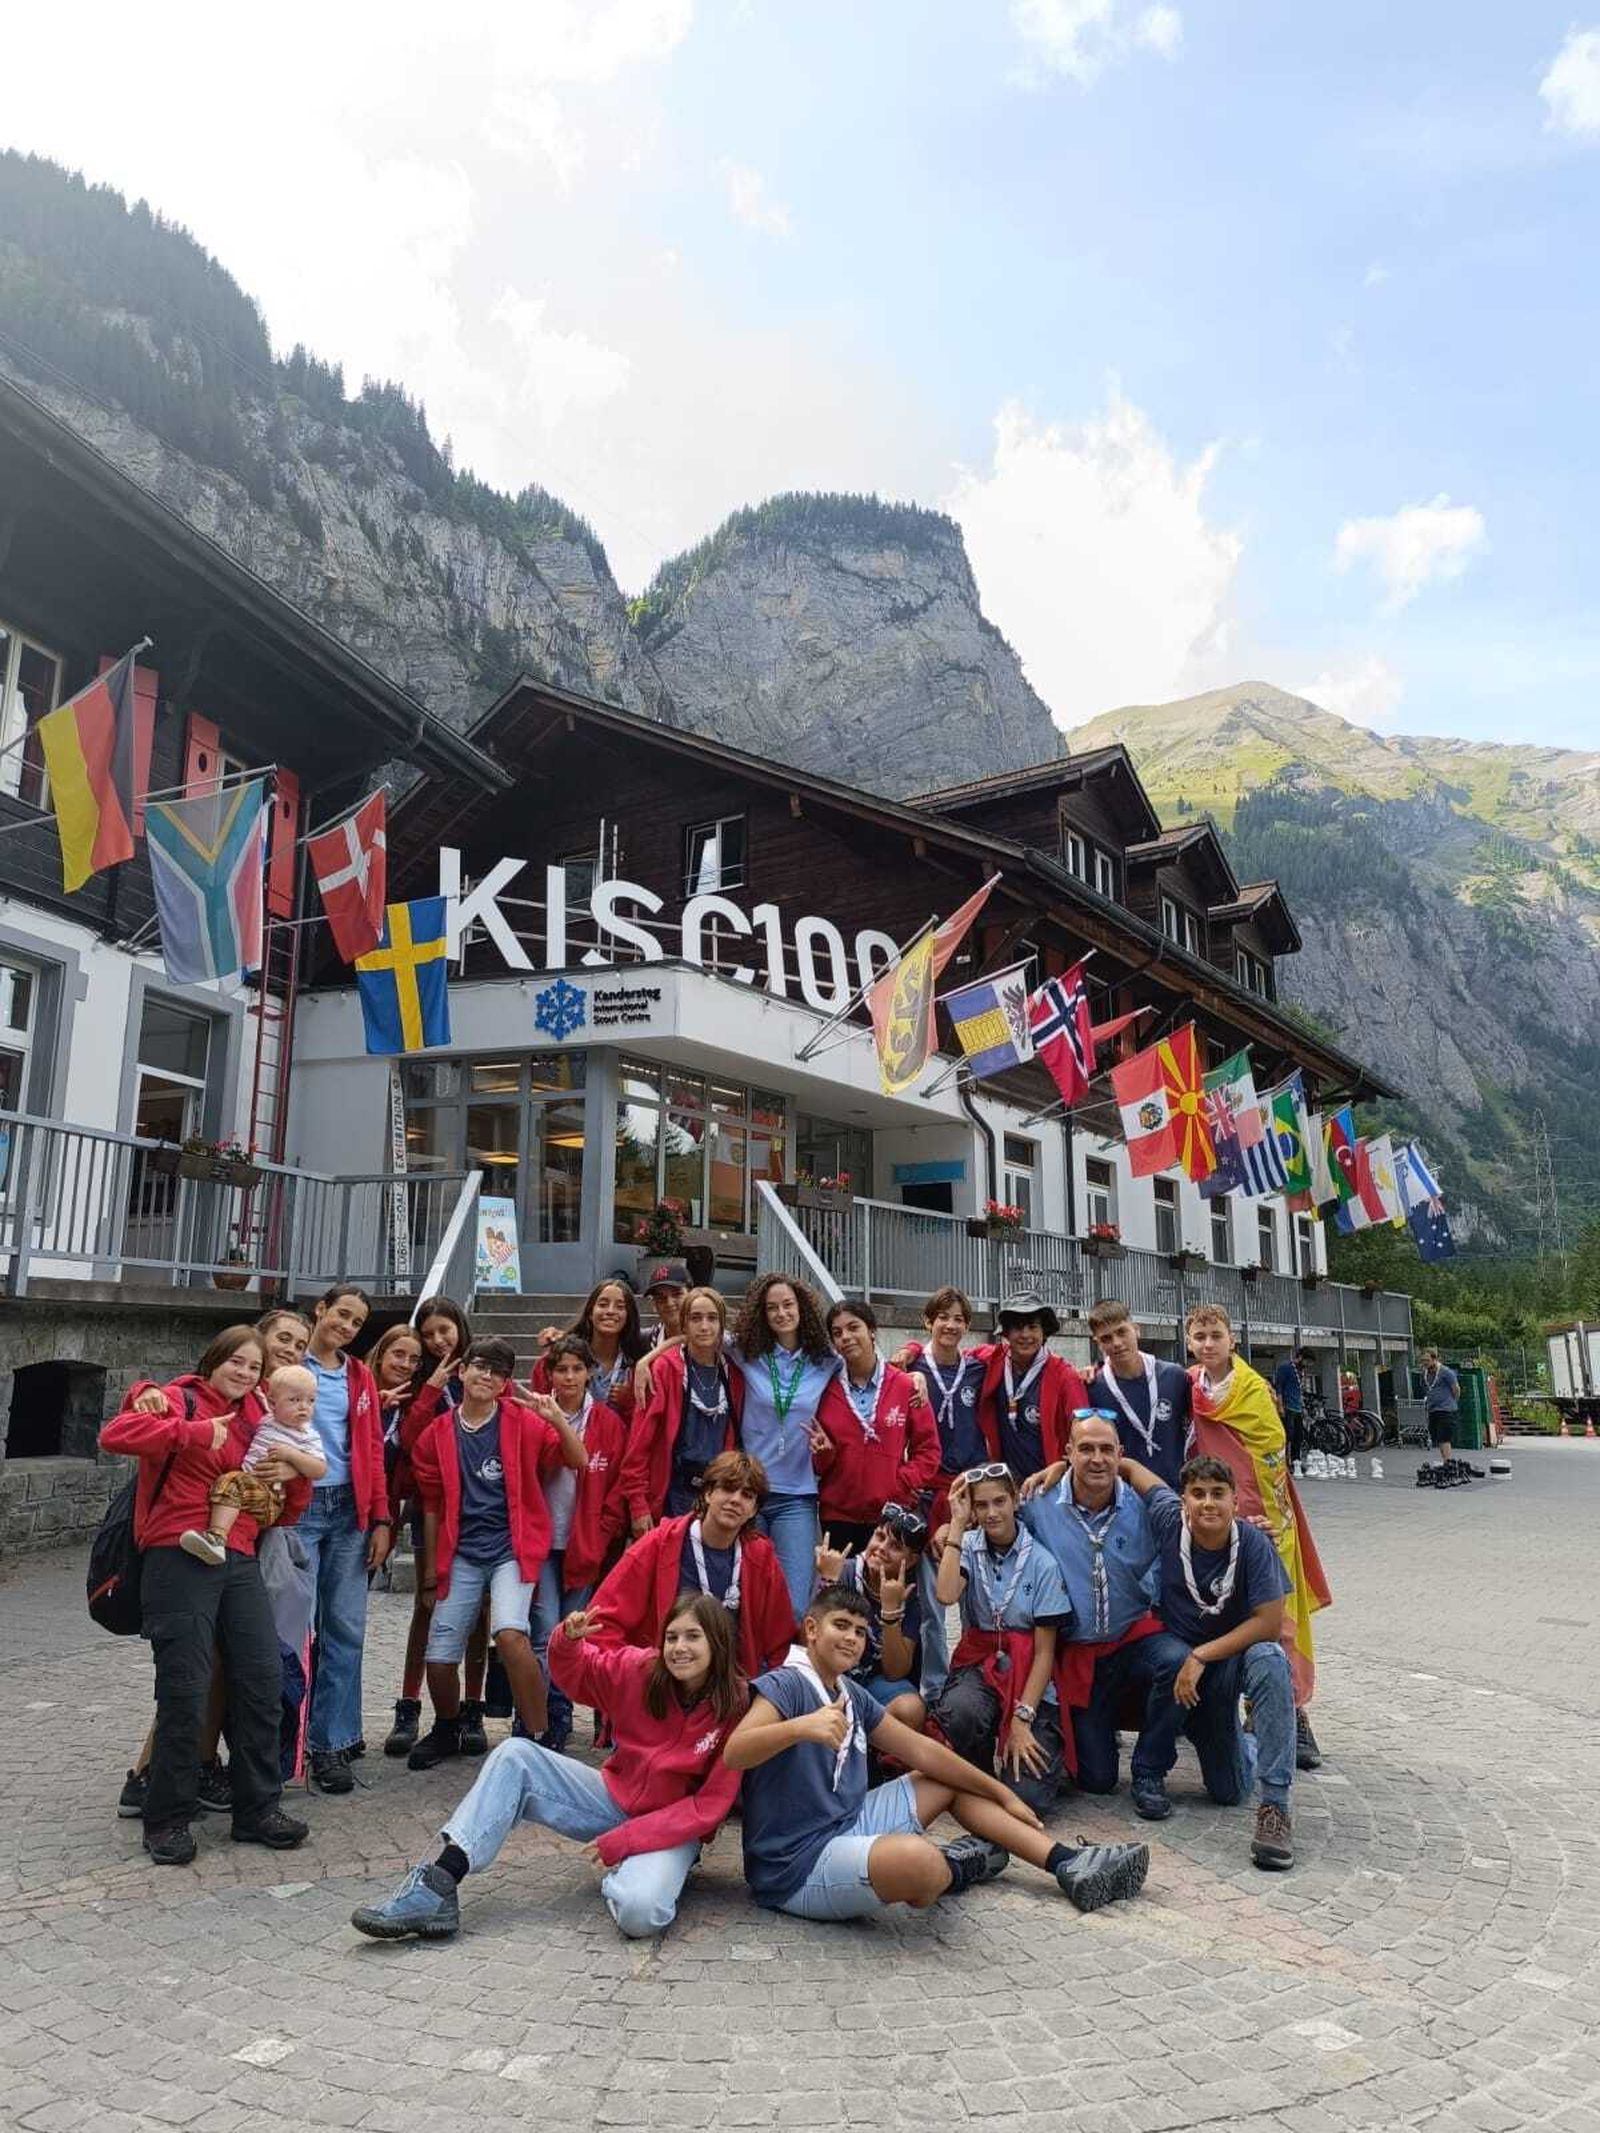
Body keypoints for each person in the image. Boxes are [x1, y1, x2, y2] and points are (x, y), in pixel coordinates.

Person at [725, 1581, 1149, 1920]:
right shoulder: (787, 1683)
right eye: (841, 1625)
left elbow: (924, 1752)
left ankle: (1067, 1863)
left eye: (859, 1631)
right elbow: (736, 1752)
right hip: (797, 1868)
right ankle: (957, 1866)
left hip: (847, 1825)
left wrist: (1002, 1793)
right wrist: (801, 1727)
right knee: (923, 1865)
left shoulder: (849, 1692)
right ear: (812, 1630)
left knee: (944, 1778)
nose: (852, 1638)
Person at [352, 1593, 747, 1942]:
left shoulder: (736, 1705)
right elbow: (578, 1676)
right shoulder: (640, 1668)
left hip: (672, 1829)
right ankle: (438, 1884)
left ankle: (635, 1871)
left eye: (693, 1637)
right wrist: (567, 1641)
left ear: (718, 1642)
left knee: (640, 1914)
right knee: (516, 1755)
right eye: (672, 1636)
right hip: (612, 1800)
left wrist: (626, 1843)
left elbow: (707, 1807)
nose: (679, 1648)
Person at [100, 1326, 311, 1864]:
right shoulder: (179, 1397)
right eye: (235, 1362)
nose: (243, 1374)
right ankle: (166, 1817)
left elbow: (282, 1512)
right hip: (177, 1554)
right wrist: (194, 1433)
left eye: (253, 1368)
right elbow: (116, 1434)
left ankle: (257, 1807)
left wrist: (291, 1478)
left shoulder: (259, 1421)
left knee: (262, 1679)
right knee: (185, 1689)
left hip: (237, 1556)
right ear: (215, 1360)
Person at [407, 1336, 589, 1765]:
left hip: (513, 1549)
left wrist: (557, 1419)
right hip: (463, 1553)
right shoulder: (438, 1434)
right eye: (479, 1366)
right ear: (462, 1371)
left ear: (506, 1382)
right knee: (438, 1654)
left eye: (498, 1371)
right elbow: (431, 1506)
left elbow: (577, 1458)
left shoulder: (521, 1422)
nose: (486, 1376)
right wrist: (432, 1574)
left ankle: (539, 1735)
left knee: (510, 1634)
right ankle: (447, 1726)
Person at [1117, 1453, 1297, 1871]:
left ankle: (1275, 1807)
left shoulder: (1253, 1544)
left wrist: (1203, 1654)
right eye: (1198, 1494)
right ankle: (1179, 1745)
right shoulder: (1168, 1521)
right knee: (1226, 1789)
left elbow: (1269, 1624)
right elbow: (1134, 1471)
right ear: (1184, 1501)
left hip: (1230, 1661)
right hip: (1184, 1671)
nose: (1208, 1503)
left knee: (1271, 1660)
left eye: (1218, 1494)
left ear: (1236, 1502)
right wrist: (1060, 1468)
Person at [1185, 1303, 1330, 1771]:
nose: (1208, 1344)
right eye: (1200, 1336)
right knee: (1222, 1615)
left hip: (1263, 1520)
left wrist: (1260, 1518)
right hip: (1215, 1519)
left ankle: (1293, 1713)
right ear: (1190, 1341)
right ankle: (1226, 1711)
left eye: (1215, 1336)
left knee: (1278, 1619)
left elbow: (1272, 1457)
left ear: (1232, 1340)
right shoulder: (1191, 1386)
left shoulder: (1252, 1390)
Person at [670, 1273, 841, 1621]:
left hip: (797, 1496)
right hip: (749, 1493)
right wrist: (646, 1362)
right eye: (772, 1308)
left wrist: (912, 1366)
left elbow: (871, 1361)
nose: (781, 1313)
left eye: (788, 1305)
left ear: (802, 1308)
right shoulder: (747, 1351)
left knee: (794, 1605)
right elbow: (696, 1336)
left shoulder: (825, 1359)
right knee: (744, 1597)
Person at [1018, 1409, 1165, 1794]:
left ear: (1121, 1454)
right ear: (1068, 1452)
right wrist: (951, 1528)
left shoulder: (1143, 1506)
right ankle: (1098, 1734)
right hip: (1080, 1655)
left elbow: (1194, 1523)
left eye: (1105, 1449)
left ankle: (1151, 1767)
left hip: (1132, 1643)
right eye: (1085, 1449)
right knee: (1096, 1781)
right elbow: (995, 1524)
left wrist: (1249, 1528)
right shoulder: (1038, 1503)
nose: (1097, 1459)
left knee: (1177, 1661)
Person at [928, 1465, 1072, 1817]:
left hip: (1027, 1674)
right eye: (981, 1505)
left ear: (1014, 1502)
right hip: (981, 1663)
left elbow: (1044, 1653)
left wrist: (1023, 1719)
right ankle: (979, 1773)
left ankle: (1037, 1758)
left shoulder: (1042, 1563)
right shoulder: (968, 1545)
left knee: (1028, 1799)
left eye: (999, 1502)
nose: (992, 1513)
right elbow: (946, 1594)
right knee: (961, 1712)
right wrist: (957, 1524)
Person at [293, 1284, 390, 1795]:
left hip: (349, 1510)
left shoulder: (359, 1376)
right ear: (321, 1309)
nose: (348, 1327)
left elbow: (371, 1448)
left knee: (346, 1629)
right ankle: (288, 1739)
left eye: (357, 1322)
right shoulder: (287, 1364)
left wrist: (381, 1518)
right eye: (342, 1315)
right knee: (296, 1629)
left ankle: (331, 1743)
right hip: (300, 1509)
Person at [589, 1450, 795, 1678]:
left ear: (754, 1509)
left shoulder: (761, 1557)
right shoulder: (658, 1544)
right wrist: (638, 1674)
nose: (735, 1500)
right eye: (727, 1488)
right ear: (707, 1493)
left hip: (730, 1693)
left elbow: (781, 1644)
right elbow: (600, 1624)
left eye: (747, 1495)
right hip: (664, 1687)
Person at [524, 1334, 627, 1752]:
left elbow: (617, 1487)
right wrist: (555, 1421)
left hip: (584, 1543)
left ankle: (561, 1711)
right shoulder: (535, 1416)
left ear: (590, 1373)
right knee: (544, 1630)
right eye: (561, 1369)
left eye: (577, 1369)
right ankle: (545, 1715)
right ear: (549, 1374)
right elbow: (547, 1462)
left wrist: (602, 1535)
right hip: (542, 1540)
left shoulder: (608, 1422)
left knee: (572, 1633)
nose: (569, 1377)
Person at [898, 1286, 989, 1702]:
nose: (950, 1325)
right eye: (942, 1317)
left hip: (971, 1494)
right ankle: (934, 1689)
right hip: (928, 1492)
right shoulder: (909, 1367)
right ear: (928, 1322)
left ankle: (975, 1680)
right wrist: (908, 1358)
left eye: (958, 1319)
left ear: (967, 1327)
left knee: (974, 1595)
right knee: (934, 1603)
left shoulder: (978, 1369)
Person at [812, 1299, 940, 1556]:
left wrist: (900, 1483)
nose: (845, 1337)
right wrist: (823, 1454)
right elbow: (818, 1463)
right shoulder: (824, 1390)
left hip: (890, 1517)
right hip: (838, 1515)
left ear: (871, 1330)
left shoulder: (906, 1386)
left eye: (853, 1327)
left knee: (885, 1593)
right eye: (837, 1333)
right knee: (841, 1593)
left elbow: (929, 1451)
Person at [179, 1364, 327, 1565]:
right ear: (273, 1404)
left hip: (271, 1496)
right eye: (294, 1400)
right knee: (232, 1484)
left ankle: (216, 1537)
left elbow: (320, 1469)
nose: (304, 1407)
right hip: (251, 1485)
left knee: (232, 1482)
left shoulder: (306, 1435)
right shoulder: (268, 1419)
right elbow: (261, 1396)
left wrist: (292, 1456)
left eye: (311, 1401)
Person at [620, 1286, 740, 1533]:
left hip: (715, 1496)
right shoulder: (666, 1369)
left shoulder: (734, 1375)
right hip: (670, 1494)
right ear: (684, 1323)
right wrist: (638, 1505)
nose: (704, 1326)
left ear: (722, 1324)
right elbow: (639, 1443)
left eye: (712, 1318)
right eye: (695, 1318)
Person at [814, 1506, 928, 1726]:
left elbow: (894, 1672)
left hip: (873, 1683)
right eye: (879, 1536)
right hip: (830, 1676)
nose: (881, 1548)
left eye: (895, 1546)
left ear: (911, 1560)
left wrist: (890, 1613)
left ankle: (874, 1753)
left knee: (911, 1709)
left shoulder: (909, 1595)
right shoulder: (841, 1571)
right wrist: (827, 1582)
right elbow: (810, 1646)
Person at [1085, 1301, 1194, 1489]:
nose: (1116, 1343)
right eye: (1106, 1338)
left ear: (1136, 1330)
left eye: (1121, 1332)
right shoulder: (1094, 1388)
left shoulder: (1175, 1376)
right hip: (1124, 1498)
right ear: (1097, 1342)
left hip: (1175, 1493)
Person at [536, 1278, 647, 1425]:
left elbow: (644, 1425)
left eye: (620, 1307)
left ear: (628, 1316)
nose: (610, 1311)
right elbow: (538, 1414)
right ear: (590, 1312)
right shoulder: (555, 1361)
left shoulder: (637, 1368)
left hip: (616, 1445)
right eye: (603, 1304)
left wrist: (631, 1403)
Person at [1419, 1348, 1466, 1485]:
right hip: (1433, 1409)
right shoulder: (1425, 1373)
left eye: (1427, 1360)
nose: (1425, 1363)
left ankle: (1447, 1464)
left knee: (1444, 1437)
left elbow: (1456, 1389)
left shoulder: (1446, 1372)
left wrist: (1452, 1403)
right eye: (1423, 1361)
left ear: (1435, 1359)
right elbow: (1427, 1388)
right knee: (1437, 1437)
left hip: (1446, 1409)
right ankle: (1445, 1460)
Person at [1272, 1348, 1310, 1478]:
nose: (1307, 1364)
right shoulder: (1285, 1368)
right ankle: (1285, 1462)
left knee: (1298, 1436)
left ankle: (1296, 1460)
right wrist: (1280, 1406)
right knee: (1288, 1436)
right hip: (1287, 1407)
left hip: (1298, 1408)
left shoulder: (1301, 1371)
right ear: (1299, 1357)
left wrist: (1303, 1406)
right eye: (1306, 1361)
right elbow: (1279, 1387)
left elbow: (1299, 1390)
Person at [642, 1260, 691, 1346]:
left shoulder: (715, 1342)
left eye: (677, 1294)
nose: (669, 1303)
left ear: (691, 1296)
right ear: (654, 1304)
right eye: (661, 1297)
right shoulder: (644, 1343)